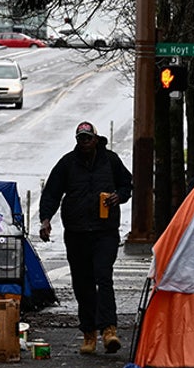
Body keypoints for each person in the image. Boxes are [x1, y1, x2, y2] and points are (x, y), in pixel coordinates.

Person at [37, 121, 133, 355]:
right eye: (80, 138)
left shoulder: (110, 160)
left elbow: (126, 185)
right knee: (82, 284)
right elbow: (52, 192)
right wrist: (46, 219)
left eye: (88, 138)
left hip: (105, 231)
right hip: (77, 232)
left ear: (96, 139)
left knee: (103, 277)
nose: (85, 142)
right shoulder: (67, 163)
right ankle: (89, 333)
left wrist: (117, 197)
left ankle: (109, 330)